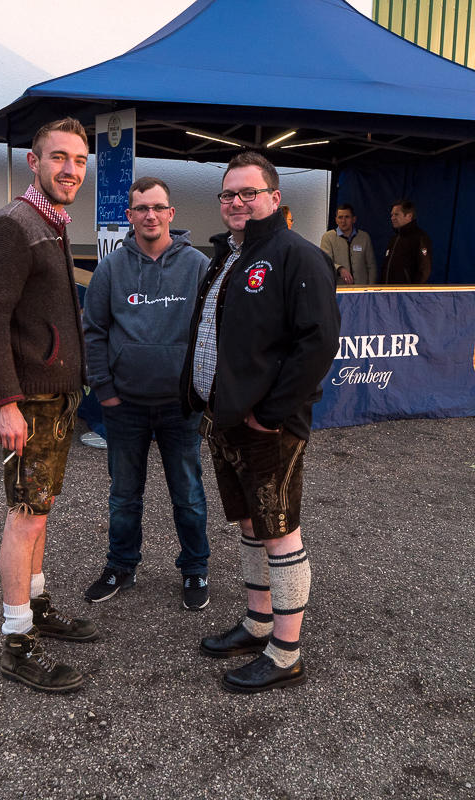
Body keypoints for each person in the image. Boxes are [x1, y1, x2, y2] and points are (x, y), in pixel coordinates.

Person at [180, 151, 340, 694]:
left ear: (274, 197)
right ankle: (257, 622)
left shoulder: (298, 256)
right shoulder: (229, 255)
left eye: (249, 192)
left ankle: (286, 652)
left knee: (279, 532)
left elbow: (318, 344)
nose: (237, 202)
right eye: (229, 193)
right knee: (250, 524)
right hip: (226, 418)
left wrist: (269, 414)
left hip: (268, 426)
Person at [0, 118, 98, 693]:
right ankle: (17, 640)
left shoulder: (50, 220)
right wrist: (4, 402)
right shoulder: (14, 225)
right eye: (59, 158)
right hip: (31, 401)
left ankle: (37, 605)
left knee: (39, 511)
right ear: (34, 161)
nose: (71, 170)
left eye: (79, 159)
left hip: (55, 399)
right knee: (26, 516)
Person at [83, 177, 211, 610]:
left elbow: (213, 331)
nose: (150, 215)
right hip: (125, 405)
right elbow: (93, 331)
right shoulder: (111, 268)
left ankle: (195, 568)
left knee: (188, 495)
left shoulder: (197, 266)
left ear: (171, 214)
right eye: (141, 208)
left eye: (158, 207)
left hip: (180, 405)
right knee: (123, 496)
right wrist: (105, 391)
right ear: (130, 216)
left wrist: (201, 389)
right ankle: (121, 565)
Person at [320, 203, 377, 286]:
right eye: (340, 217)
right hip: (340, 289)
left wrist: (371, 288)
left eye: (347, 217)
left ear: (354, 219)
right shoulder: (328, 237)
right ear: (336, 220)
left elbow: (371, 266)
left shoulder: (364, 237)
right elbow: (325, 262)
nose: (343, 221)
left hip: (361, 289)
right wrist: (340, 269)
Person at [381, 200, 432, 284]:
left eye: (396, 214)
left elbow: (424, 270)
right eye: (392, 215)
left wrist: (412, 290)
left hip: (406, 291)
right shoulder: (394, 239)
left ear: (409, 216)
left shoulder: (420, 237)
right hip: (388, 291)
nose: (392, 218)